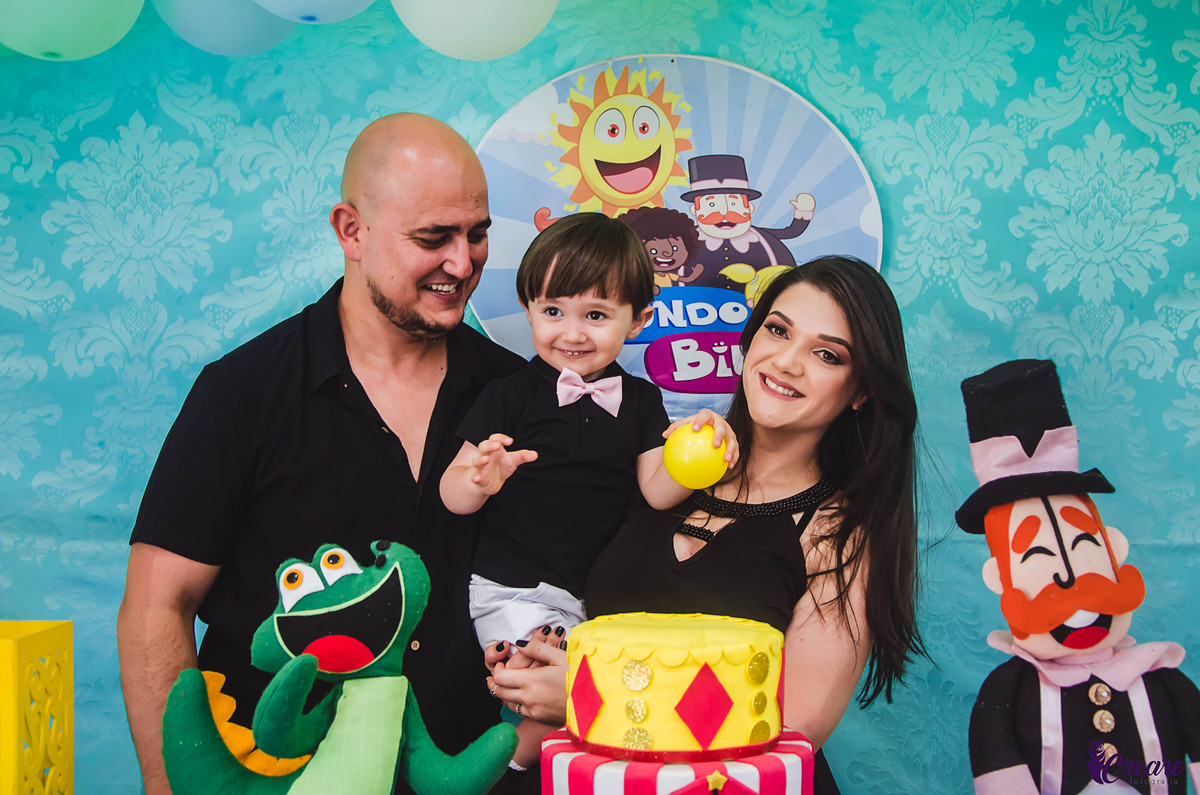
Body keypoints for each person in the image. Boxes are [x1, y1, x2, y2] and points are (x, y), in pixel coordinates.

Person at [116, 113, 525, 795]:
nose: (463, 262)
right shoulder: (243, 392)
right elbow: (156, 607)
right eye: (434, 237)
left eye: (477, 234)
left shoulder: (518, 394)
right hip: (276, 775)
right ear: (351, 230)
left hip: (468, 773)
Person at [487, 255, 925, 794]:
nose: (786, 361)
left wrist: (583, 694)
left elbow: (795, 728)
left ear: (861, 390)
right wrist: (532, 651)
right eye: (778, 330)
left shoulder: (839, 532)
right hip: (589, 777)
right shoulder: (662, 463)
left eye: (827, 354)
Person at [439, 212, 737, 770]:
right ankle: (496, 771)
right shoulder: (508, 396)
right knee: (540, 681)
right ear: (528, 308)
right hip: (513, 586)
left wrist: (701, 455)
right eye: (553, 311)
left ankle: (511, 768)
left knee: (593, 697)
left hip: (593, 602)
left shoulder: (644, 401)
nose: (571, 333)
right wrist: (477, 478)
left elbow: (657, 492)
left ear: (637, 321)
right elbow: (451, 496)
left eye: (596, 315)